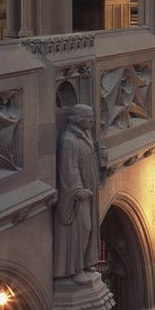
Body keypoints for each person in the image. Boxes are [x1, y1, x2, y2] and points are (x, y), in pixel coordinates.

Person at [55, 104, 101, 282]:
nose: (92, 120)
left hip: (89, 191)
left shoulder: (85, 136)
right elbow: (69, 169)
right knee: (81, 227)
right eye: (88, 117)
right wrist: (77, 189)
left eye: (92, 117)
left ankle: (87, 262)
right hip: (77, 195)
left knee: (89, 227)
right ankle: (76, 268)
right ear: (77, 118)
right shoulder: (68, 140)